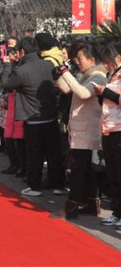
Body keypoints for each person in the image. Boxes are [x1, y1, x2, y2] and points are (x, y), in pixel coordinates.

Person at [2, 37, 67, 197]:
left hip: (32, 118)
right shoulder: (48, 65)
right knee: (54, 153)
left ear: (22, 52)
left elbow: (6, 84)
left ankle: (35, 186)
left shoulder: (21, 70)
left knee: (34, 155)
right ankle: (58, 185)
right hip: (50, 115)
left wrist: (6, 65)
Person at [50, 42, 107, 219]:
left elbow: (82, 93)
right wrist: (59, 77)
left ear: (91, 59)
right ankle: (91, 203)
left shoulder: (98, 77)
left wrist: (66, 72)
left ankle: (71, 207)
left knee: (78, 170)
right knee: (85, 170)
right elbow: (71, 90)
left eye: (80, 58)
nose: (77, 62)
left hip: (87, 130)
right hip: (82, 129)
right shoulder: (87, 76)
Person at [94, 43, 121, 229]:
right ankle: (116, 212)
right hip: (108, 129)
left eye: (108, 62)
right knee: (113, 175)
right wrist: (101, 94)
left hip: (119, 129)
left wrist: (107, 92)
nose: (106, 66)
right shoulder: (111, 75)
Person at [1, 47, 26, 176]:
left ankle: (21, 166)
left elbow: (9, 83)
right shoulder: (12, 67)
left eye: (14, 53)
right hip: (11, 103)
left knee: (19, 140)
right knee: (8, 138)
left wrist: (7, 67)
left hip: (19, 105)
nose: (12, 56)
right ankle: (13, 164)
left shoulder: (21, 68)